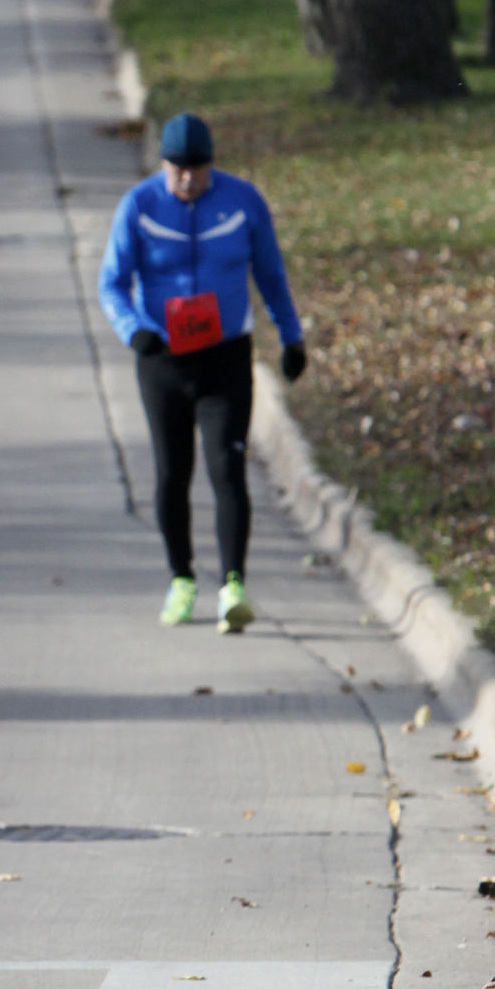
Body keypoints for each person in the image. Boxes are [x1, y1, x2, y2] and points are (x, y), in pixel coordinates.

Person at [98, 112, 306, 633]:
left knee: (227, 468)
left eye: (198, 168)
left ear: (212, 164)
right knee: (173, 473)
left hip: (225, 358)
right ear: (163, 164)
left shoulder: (242, 202)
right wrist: (133, 329)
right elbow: (112, 283)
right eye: (178, 169)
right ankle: (182, 579)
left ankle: (233, 586)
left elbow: (271, 273)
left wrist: (291, 336)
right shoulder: (140, 206)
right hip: (162, 360)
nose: (189, 178)